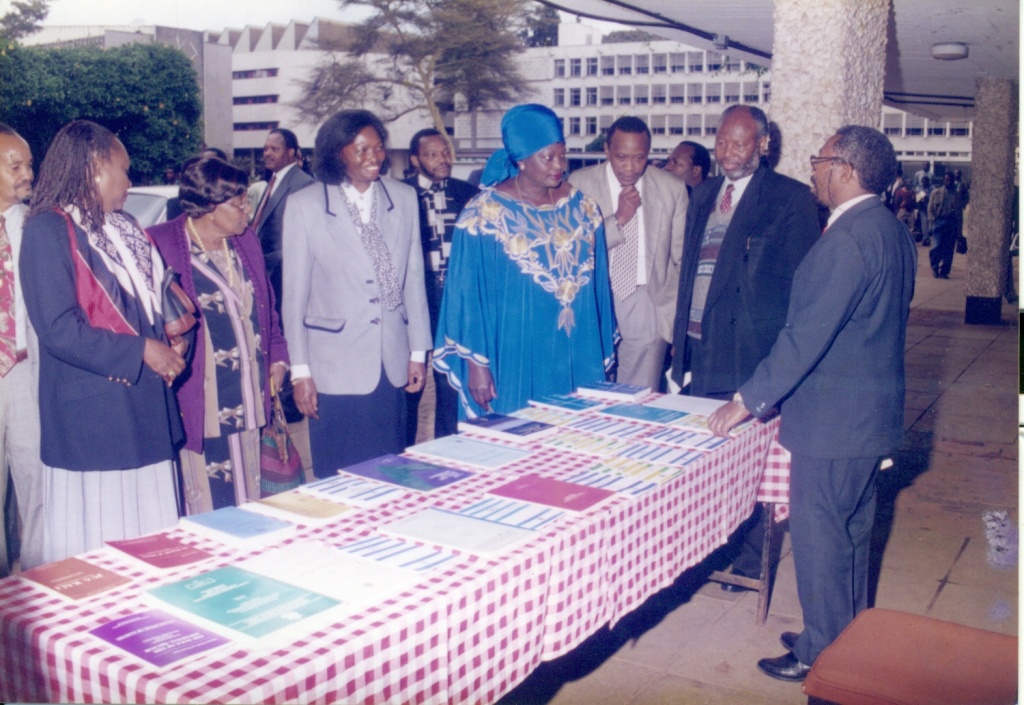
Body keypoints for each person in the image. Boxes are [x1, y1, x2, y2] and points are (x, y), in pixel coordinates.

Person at [707, 125, 916, 682]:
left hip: (833, 424)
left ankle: (819, 654)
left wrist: (747, 400)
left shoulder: (846, 240)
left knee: (822, 539)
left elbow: (805, 337)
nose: (813, 171)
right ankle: (845, 634)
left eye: (820, 161)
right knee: (851, 536)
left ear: (845, 170)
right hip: (869, 418)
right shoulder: (889, 230)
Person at [21, 120, 186, 563]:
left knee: (152, 547)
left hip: (145, 408)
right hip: (94, 420)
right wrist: (143, 351)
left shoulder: (127, 226)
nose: (129, 182)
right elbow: (58, 329)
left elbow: (151, 305)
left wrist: (170, 339)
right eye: (124, 170)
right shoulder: (47, 230)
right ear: (96, 165)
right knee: (101, 552)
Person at [669, 104, 820, 587]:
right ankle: (709, 550)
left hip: (749, 354)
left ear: (763, 144)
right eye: (721, 142)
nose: (727, 153)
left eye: (739, 143)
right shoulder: (703, 193)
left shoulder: (790, 199)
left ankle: (751, 561)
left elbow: (800, 288)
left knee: (749, 464)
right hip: (700, 346)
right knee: (707, 462)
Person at [434, 104, 616, 417]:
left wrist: (600, 349)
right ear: (520, 159)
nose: (559, 165)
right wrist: (477, 364)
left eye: (563, 154)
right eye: (548, 156)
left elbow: (599, 288)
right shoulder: (483, 215)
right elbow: (467, 296)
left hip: (575, 350)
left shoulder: (585, 208)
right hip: (513, 351)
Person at [282, 110, 431, 479]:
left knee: (390, 472)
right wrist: (300, 372)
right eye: (361, 149)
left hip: (391, 360)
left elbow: (414, 280)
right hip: (333, 366)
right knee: (338, 475)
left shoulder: (404, 197)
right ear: (338, 153)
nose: (373, 157)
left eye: (378, 148)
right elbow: (294, 299)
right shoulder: (305, 205)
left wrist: (417, 352)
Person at [149, 157, 290, 514]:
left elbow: (268, 308)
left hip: (251, 394)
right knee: (210, 505)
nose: (247, 211)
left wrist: (278, 356)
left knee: (255, 499)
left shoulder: (245, 241)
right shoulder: (161, 244)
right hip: (203, 399)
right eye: (239, 204)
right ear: (210, 207)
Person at [569, 116, 686, 390]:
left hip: (647, 302)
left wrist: (673, 320)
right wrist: (618, 219)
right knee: (590, 392)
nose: (630, 168)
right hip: (594, 298)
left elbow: (680, 260)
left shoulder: (672, 188)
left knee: (638, 397)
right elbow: (573, 249)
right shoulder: (579, 184)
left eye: (639, 158)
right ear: (607, 150)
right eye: (621, 157)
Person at [402, 128, 479, 443]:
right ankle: (404, 449)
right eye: (432, 155)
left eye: (445, 152)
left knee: (450, 380)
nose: (443, 160)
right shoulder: (400, 194)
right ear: (415, 160)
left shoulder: (469, 194)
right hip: (416, 301)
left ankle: (448, 447)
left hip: (456, 302)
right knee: (410, 382)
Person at [0, 123, 46, 573]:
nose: (27, 174)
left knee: (37, 482)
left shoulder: (39, 226)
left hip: (28, 371)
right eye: (15, 166)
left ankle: (37, 582)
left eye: (29, 164)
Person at [252, 128, 314, 316]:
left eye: (274, 149)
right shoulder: (273, 180)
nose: (267, 154)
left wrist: (268, 262)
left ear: (291, 152)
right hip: (265, 273)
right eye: (265, 149)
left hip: (282, 275)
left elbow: (300, 240)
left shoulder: (302, 183)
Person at [927, 171, 962, 279]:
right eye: (947, 180)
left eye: (950, 180)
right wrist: (933, 221)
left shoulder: (956, 195)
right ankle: (934, 267)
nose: (949, 182)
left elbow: (959, 213)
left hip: (951, 223)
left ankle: (944, 271)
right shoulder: (936, 193)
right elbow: (930, 208)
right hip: (939, 222)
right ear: (943, 180)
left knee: (949, 248)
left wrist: (959, 231)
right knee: (936, 246)